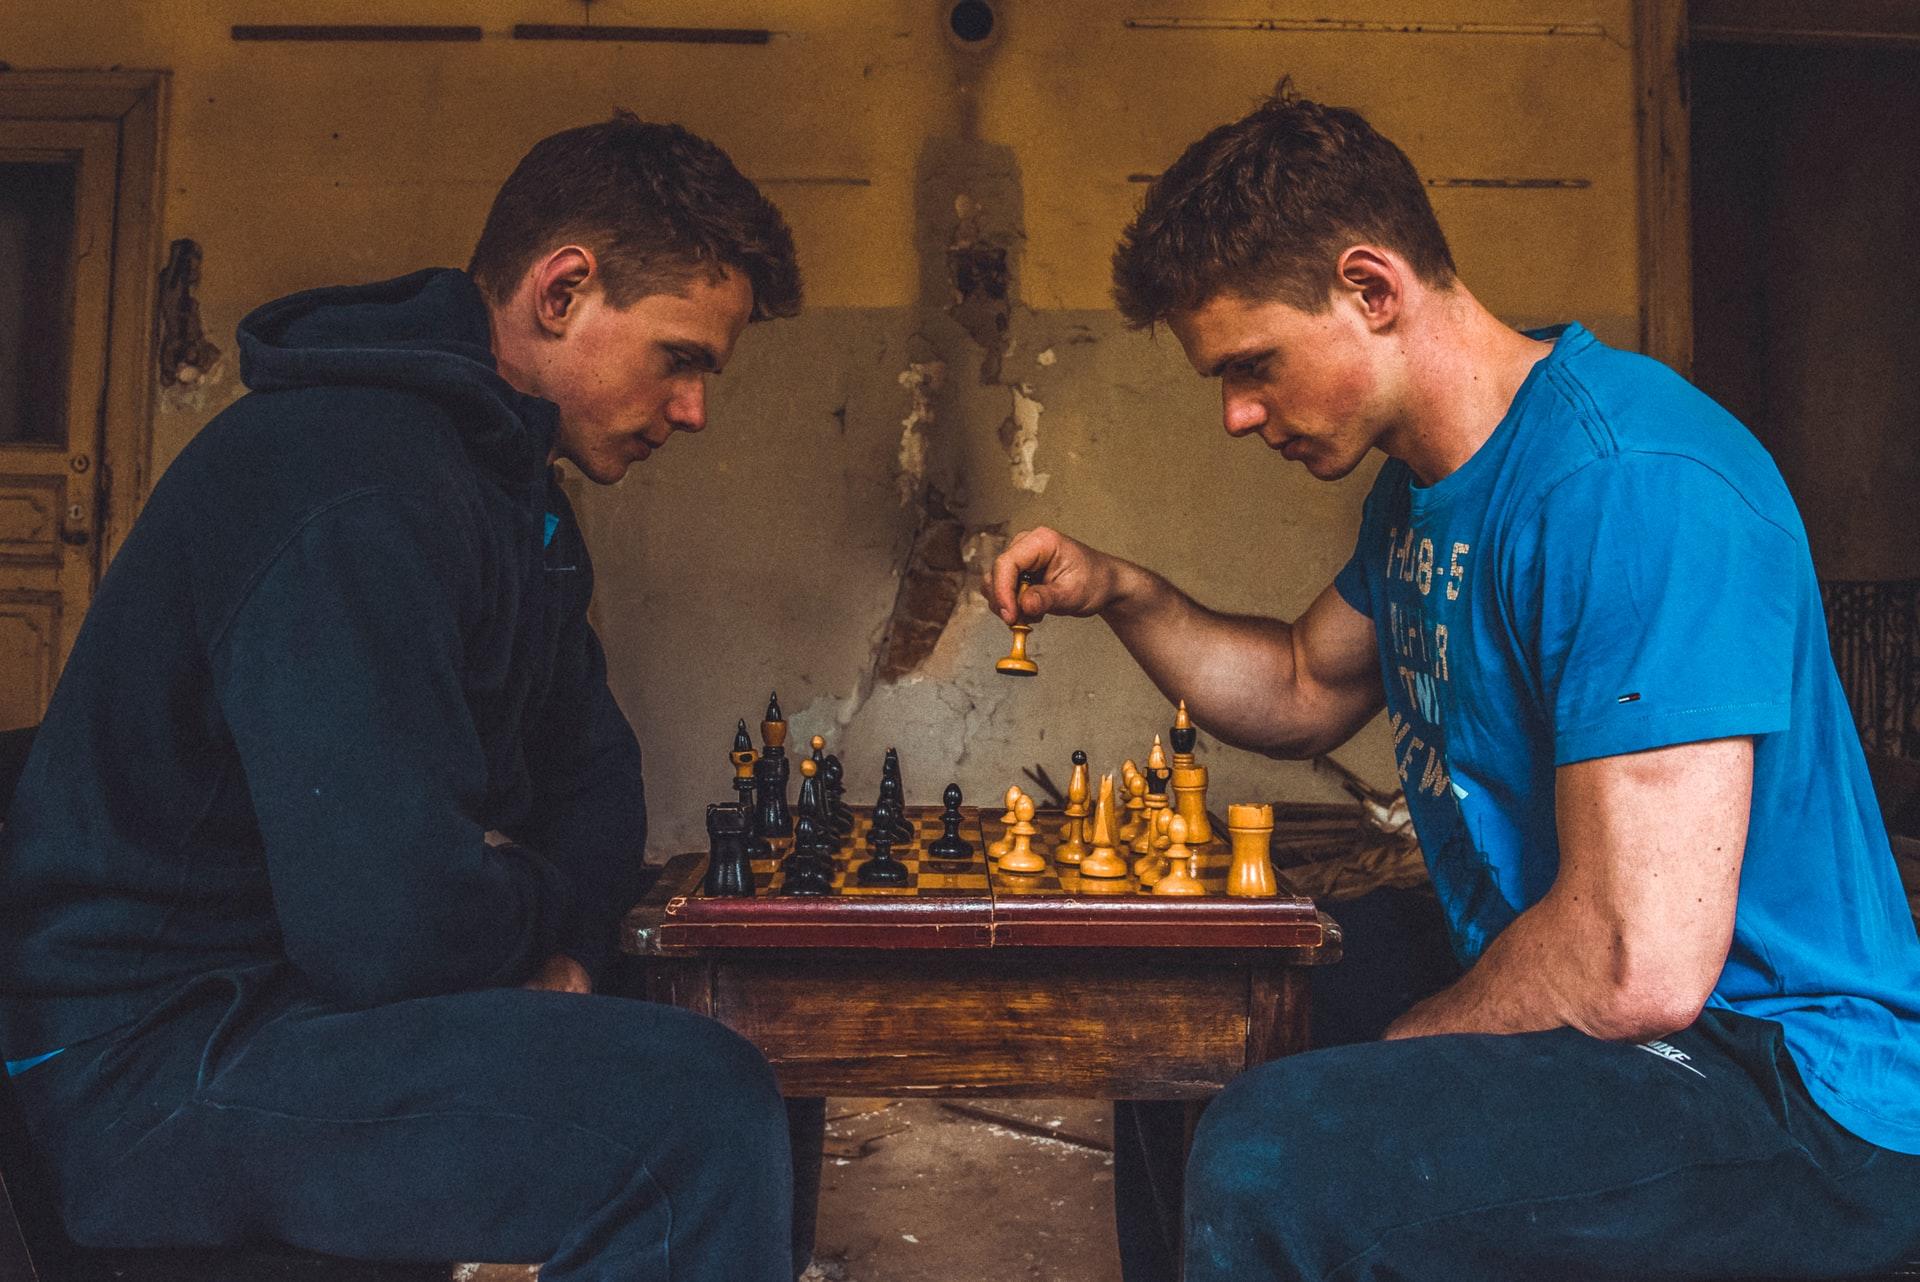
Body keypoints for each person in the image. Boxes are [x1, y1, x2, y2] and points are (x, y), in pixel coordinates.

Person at [988, 81, 1920, 1281]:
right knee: (1185, 1029)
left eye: (1254, 365)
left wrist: (1399, 1052)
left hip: (1785, 1081)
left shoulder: (1628, 487)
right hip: (1610, 994)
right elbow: (1297, 684)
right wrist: (1122, 590)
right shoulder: (1424, 489)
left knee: (1280, 1150)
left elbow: (1637, 963)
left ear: (1372, 289)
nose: (1237, 414)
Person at [0, 113, 807, 1282]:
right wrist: (494, 884)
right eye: (681, 356)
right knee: (692, 1117)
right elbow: (387, 924)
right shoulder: (351, 483)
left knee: (687, 1055)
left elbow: (595, 784)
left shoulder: (507, 494)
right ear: (563, 289)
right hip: (153, 1069)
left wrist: (552, 942)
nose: (694, 410)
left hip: (294, 1019)